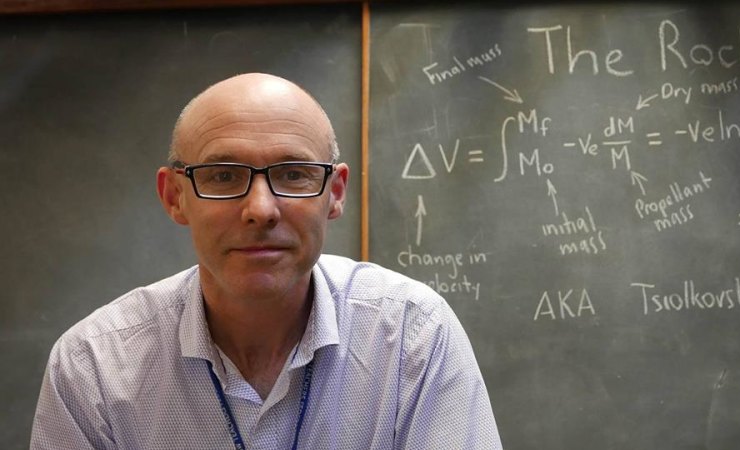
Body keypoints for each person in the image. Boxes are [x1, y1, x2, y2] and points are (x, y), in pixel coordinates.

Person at [30, 73, 502, 449]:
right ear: (175, 197)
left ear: (335, 193)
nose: (260, 209)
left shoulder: (411, 337)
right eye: (223, 175)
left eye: (293, 174)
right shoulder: (94, 368)